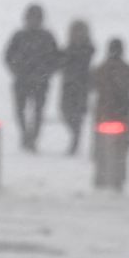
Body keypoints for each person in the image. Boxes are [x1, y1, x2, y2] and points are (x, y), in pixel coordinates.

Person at [2, 3, 60, 151]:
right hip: (22, 81)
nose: (33, 21)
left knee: (38, 113)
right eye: (31, 17)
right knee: (20, 111)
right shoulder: (19, 36)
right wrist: (17, 70)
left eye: (36, 18)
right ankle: (25, 135)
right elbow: (8, 56)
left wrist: (46, 73)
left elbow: (56, 58)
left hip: (41, 82)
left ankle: (32, 138)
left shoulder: (47, 37)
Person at [57, 19, 95, 156]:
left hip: (81, 87)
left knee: (77, 116)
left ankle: (75, 142)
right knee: (66, 112)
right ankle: (75, 139)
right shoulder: (68, 50)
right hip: (68, 87)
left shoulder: (86, 50)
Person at [93, 38, 129, 149]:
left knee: (101, 142)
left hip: (104, 111)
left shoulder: (100, 69)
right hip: (121, 111)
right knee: (123, 143)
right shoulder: (127, 69)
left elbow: (94, 86)